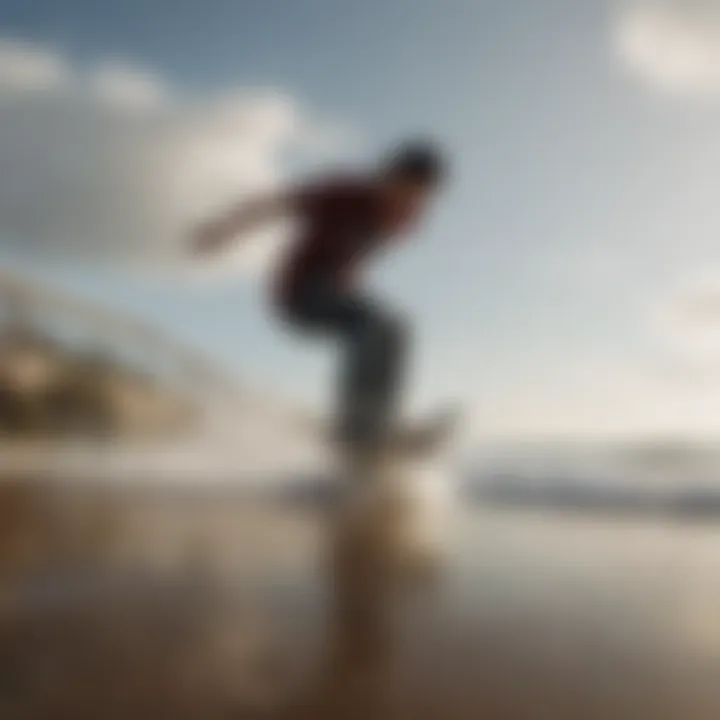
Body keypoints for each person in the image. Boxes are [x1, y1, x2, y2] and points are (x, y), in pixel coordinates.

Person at [193, 140, 448, 458]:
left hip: (337, 294)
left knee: (396, 328)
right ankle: (356, 430)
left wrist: (350, 283)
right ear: (387, 175)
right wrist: (222, 229)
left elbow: (356, 253)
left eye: (417, 194)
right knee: (373, 328)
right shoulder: (343, 194)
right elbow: (276, 204)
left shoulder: (405, 221)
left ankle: (378, 427)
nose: (404, 199)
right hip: (299, 293)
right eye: (401, 187)